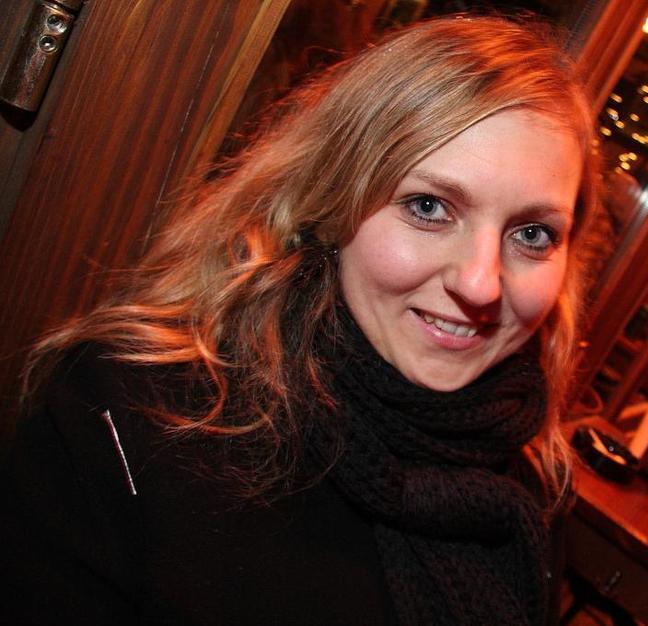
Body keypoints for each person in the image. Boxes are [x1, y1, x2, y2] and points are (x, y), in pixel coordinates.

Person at [0, 16, 601, 625]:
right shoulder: (130, 418)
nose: (479, 284)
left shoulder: (531, 493)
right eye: (429, 207)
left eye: (532, 234)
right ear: (330, 199)